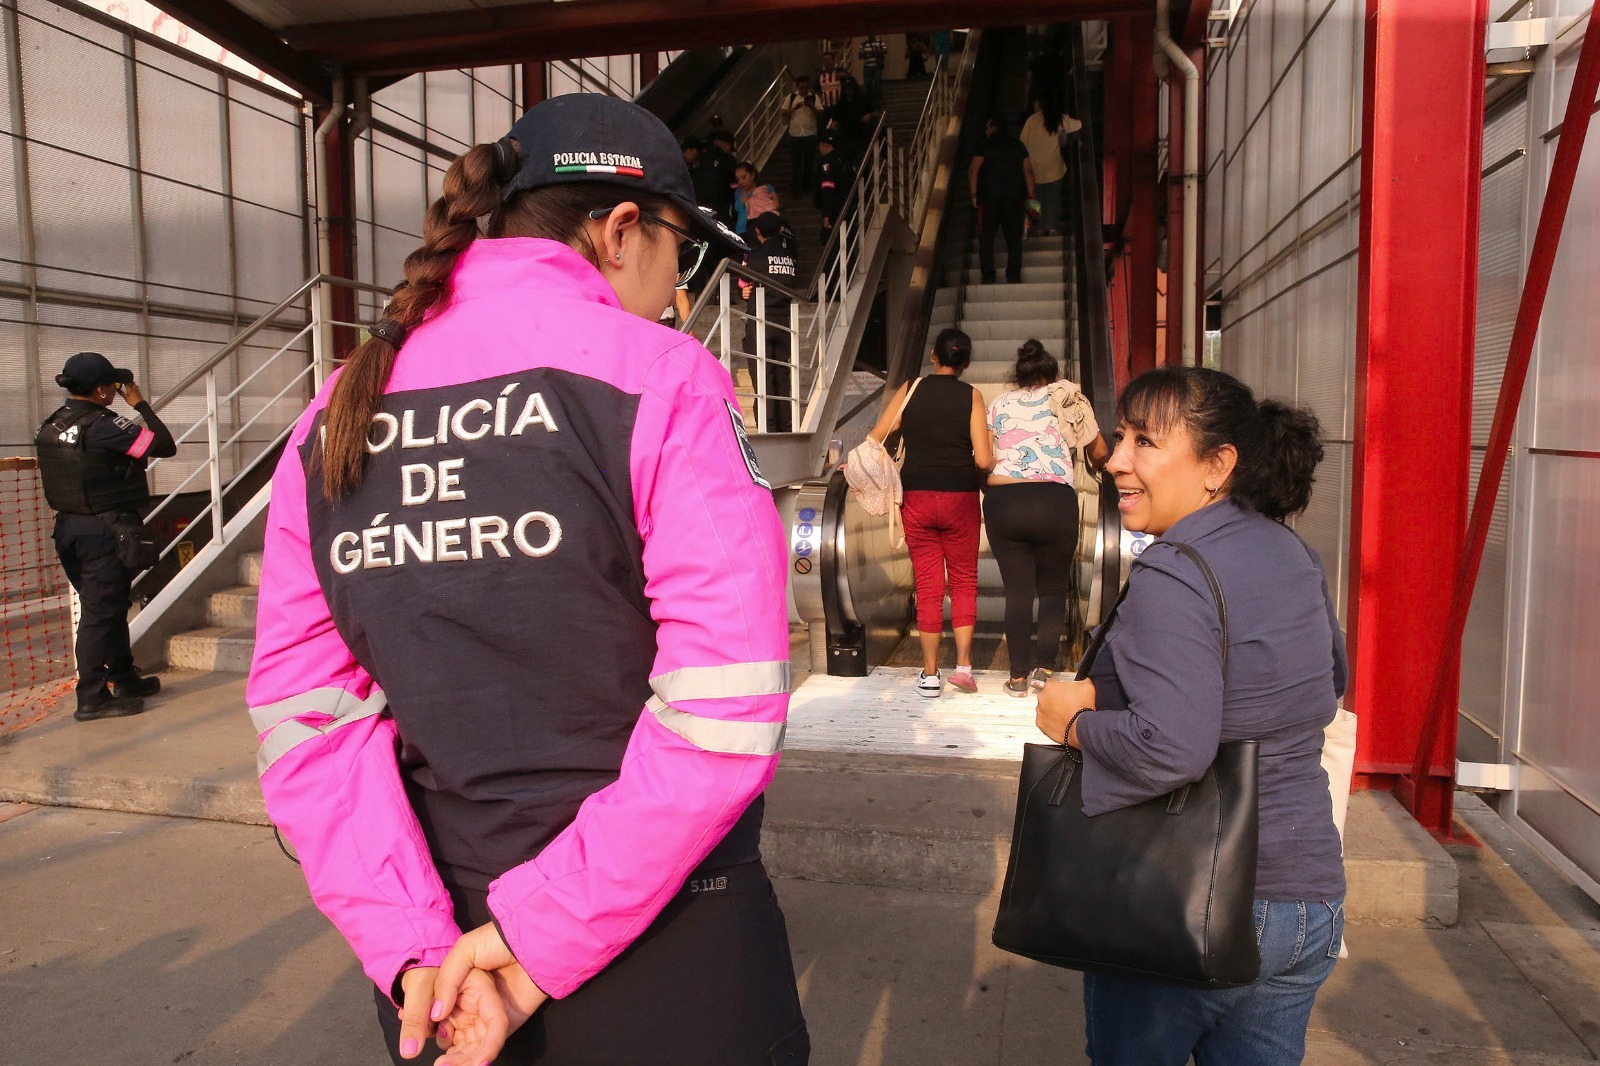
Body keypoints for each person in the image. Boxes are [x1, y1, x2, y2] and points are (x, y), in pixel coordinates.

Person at [246, 93, 809, 1066]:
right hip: (666, 947)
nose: (679, 291)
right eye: (684, 253)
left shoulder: (334, 412)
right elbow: (722, 711)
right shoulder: (663, 378)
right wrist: (534, 940)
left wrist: (412, 946)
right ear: (623, 228)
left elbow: (306, 726)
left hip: (441, 978)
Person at [1035, 365, 1345, 1066]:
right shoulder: (1293, 551)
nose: (1116, 460)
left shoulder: (1174, 571)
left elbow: (1170, 749)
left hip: (1189, 900)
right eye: (1120, 438)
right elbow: (1327, 684)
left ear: (1218, 466)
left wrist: (1072, 720)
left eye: (1145, 442)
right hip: (1307, 904)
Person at [34, 351, 173, 721]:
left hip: (70, 529)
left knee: (108, 607)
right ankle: (92, 696)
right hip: (103, 530)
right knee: (100, 614)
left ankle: (124, 677)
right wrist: (140, 403)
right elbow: (163, 445)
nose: (117, 389)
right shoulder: (103, 426)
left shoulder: (49, 425)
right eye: (113, 384)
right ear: (100, 390)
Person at [865, 328, 993, 697]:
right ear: (965, 362)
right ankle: (965, 669)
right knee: (965, 580)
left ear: (934, 356)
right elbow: (983, 459)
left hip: (917, 497)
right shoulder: (972, 396)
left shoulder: (911, 389)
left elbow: (878, 435)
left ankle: (931, 674)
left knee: (929, 585)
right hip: (960, 498)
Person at [985, 341, 1109, 696]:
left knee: (1017, 593)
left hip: (1005, 501)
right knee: (1053, 589)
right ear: (1053, 376)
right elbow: (1098, 451)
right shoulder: (1067, 397)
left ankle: (1017, 678)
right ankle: (1044, 672)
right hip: (1055, 501)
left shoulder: (998, 404)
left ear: (1018, 376)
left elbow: (986, 455)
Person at [740, 212, 800, 433]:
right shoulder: (790, 257)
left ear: (757, 231)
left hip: (761, 320)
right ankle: (787, 426)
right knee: (783, 376)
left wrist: (746, 291)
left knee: (762, 376)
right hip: (784, 321)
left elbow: (743, 282)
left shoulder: (755, 256)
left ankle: (768, 427)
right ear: (780, 230)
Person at [969, 115, 1035, 284]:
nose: (986, 131)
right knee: (1014, 239)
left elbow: (973, 171)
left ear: (993, 128)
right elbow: (1028, 171)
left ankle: (988, 276)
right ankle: (1013, 275)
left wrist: (974, 194)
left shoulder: (983, 145)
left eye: (987, 128)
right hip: (1014, 199)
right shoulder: (1018, 145)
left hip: (989, 199)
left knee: (986, 239)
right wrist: (1031, 194)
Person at [1019, 94, 1079, 237]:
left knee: (1036, 198)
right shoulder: (1059, 119)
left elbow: (1021, 142)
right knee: (1053, 199)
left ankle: (1037, 227)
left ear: (1038, 105)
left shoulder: (1031, 121)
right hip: (1054, 168)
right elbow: (1079, 124)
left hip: (1034, 168)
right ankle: (1053, 227)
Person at [781, 75, 821, 195]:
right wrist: (794, 108)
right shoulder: (791, 97)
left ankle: (807, 186)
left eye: (806, 88)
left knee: (809, 162)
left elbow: (820, 113)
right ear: (797, 87)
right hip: (795, 134)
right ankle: (796, 188)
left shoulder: (813, 97)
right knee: (796, 163)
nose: (804, 90)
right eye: (801, 88)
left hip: (810, 133)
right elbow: (782, 112)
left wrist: (810, 106)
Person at [813, 132, 853, 237]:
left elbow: (828, 188)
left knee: (833, 242)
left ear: (824, 145)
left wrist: (826, 213)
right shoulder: (844, 160)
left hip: (834, 209)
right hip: (849, 207)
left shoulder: (827, 162)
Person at [733, 162, 781, 237]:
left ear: (752, 174)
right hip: (740, 231)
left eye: (744, 177)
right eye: (738, 179)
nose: (741, 181)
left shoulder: (766, 188)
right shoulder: (738, 192)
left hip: (759, 231)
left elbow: (776, 207)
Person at [857, 35, 888, 104]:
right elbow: (859, 55)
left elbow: (885, 50)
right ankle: (870, 100)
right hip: (867, 67)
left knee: (877, 80)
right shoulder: (864, 44)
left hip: (876, 66)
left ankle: (878, 98)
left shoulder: (879, 42)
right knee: (867, 84)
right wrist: (867, 53)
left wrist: (877, 51)